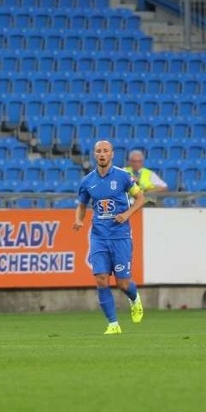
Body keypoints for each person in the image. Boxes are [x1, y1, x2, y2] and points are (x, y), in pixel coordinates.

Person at [74, 140, 146, 335]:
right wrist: (79, 220)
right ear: (94, 155)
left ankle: (134, 298)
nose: (102, 154)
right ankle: (113, 324)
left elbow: (141, 198)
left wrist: (127, 214)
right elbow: (82, 204)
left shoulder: (123, 177)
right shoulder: (87, 181)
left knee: (123, 284)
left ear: (112, 154)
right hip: (99, 236)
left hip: (120, 236)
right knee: (101, 280)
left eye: (106, 151)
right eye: (99, 151)